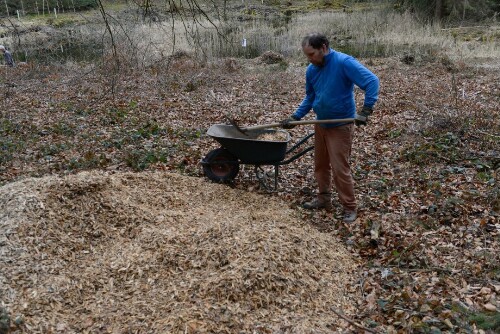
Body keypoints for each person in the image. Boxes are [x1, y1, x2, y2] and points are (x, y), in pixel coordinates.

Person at [281, 33, 379, 223]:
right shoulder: (312, 70)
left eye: (312, 54)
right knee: (320, 165)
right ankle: (324, 198)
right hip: (321, 124)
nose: (310, 59)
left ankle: (349, 206)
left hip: (340, 126)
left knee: (340, 168)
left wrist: (366, 110)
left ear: (324, 47)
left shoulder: (343, 62)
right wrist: (295, 117)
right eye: (307, 55)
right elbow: (310, 97)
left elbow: (372, 81)